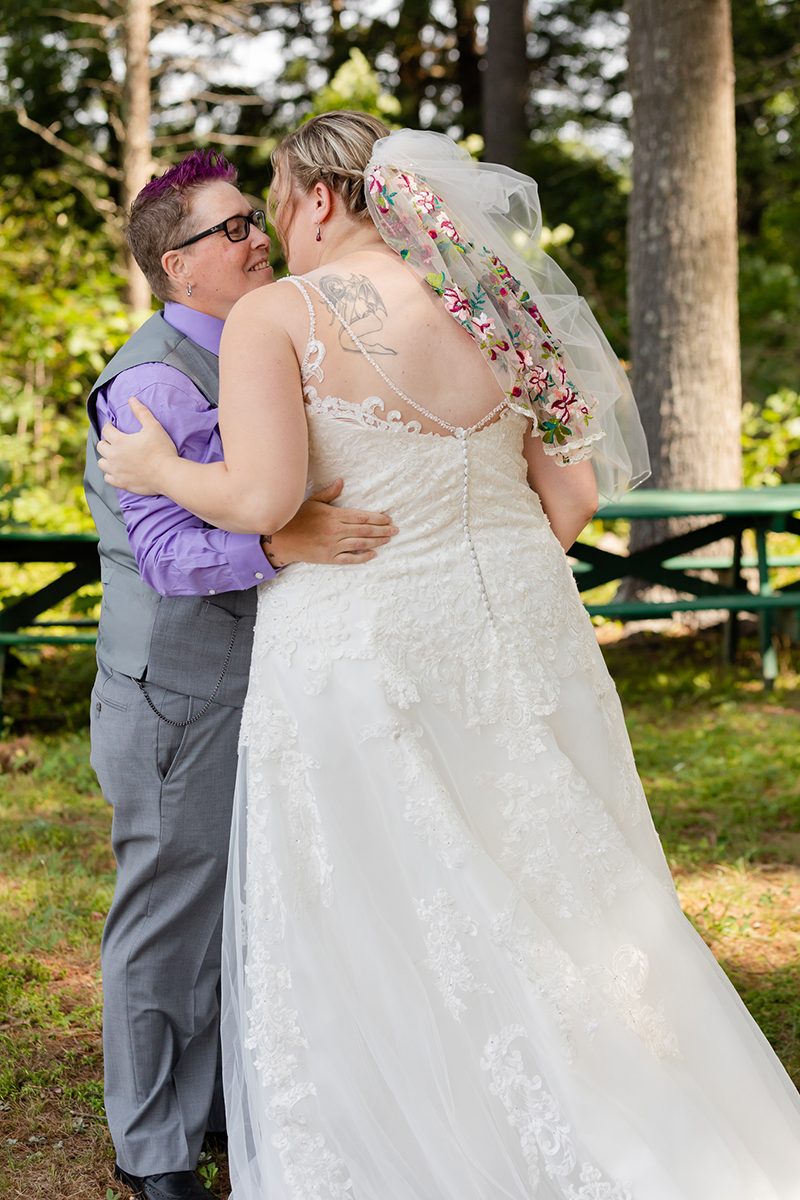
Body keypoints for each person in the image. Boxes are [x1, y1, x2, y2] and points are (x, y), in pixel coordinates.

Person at [97, 113, 800, 1200]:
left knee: (383, 895)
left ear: (322, 199)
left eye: (274, 204)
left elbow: (263, 498)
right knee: (549, 881)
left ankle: (424, 1128)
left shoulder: (280, 316)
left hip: (359, 646)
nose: (274, 232)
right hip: (513, 633)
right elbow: (565, 499)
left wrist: (152, 466)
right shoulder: (492, 303)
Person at [84, 146, 397, 1200]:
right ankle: (155, 1148)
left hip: (269, 682)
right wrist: (285, 542)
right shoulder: (146, 384)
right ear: (178, 268)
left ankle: (215, 1103)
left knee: (246, 902)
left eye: (250, 222)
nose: (255, 236)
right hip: (177, 692)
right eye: (229, 232)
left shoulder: (273, 344)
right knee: (169, 914)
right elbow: (170, 555)